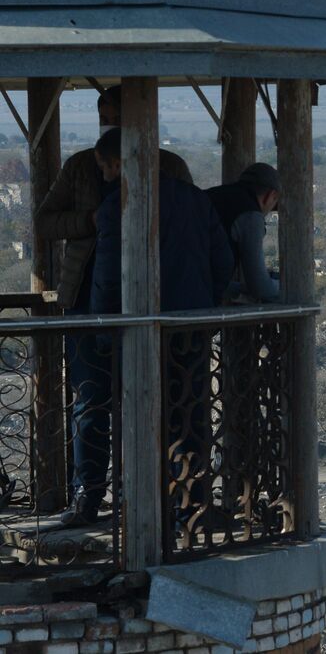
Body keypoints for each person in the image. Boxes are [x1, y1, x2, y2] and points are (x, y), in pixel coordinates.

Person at [34, 86, 192, 526]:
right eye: (106, 118)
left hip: (154, 300)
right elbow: (44, 222)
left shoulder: (170, 167)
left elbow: (187, 222)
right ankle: (89, 497)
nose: (112, 127)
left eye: (119, 118)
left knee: (154, 401)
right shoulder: (83, 167)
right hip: (88, 302)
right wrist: (89, 223)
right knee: (90, 403)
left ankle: (153, 499)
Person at [69, 129, 233, 527]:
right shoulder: (196, 199)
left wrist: (104, 330)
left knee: (139, 417)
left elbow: (108, 280)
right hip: (190, 328)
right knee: (189, 415)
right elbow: (223, 262)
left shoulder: (117, 207)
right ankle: (190, 507)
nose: (105, 177)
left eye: (106, 168)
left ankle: (140, 511)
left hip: (137, 334)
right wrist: (205, 306)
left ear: (119, 164)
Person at [206, 163, 281, 303]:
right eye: (274, 205)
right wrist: (285, 286)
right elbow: (262, 289)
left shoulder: (213, 195)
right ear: (271, 196)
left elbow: (206, 277)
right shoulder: (250, 215)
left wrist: (240, 288)